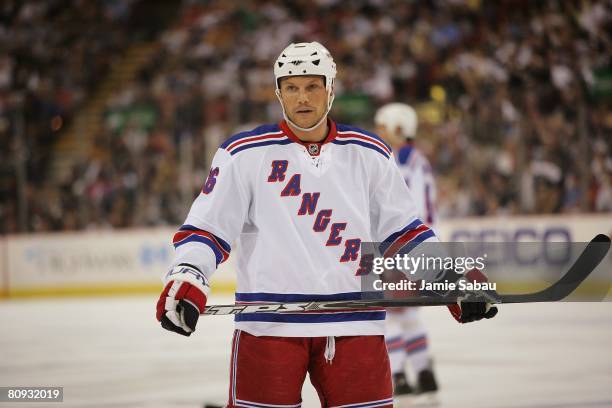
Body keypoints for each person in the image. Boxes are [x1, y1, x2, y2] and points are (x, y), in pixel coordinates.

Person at [156, 41, 497, 407]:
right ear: (278, 93)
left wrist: (450, 277)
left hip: (356, 327)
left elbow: (404, 234)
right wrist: (189, 274)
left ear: (331, 89)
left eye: (312, 86)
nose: (302, 98)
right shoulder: (243, 154)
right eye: (291, 87)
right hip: (267, 330)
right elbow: (207, 230)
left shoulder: (370, 152)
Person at [375, 103, 439, 399]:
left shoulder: (396, 162)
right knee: (410, 315)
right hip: (419, 247)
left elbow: (401, 213)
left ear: (399, 128)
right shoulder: (418, 161)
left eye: (383, 126)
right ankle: (425, 373)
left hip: (399, 247)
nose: (378, 132)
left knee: (387, 314)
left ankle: (398, 374)